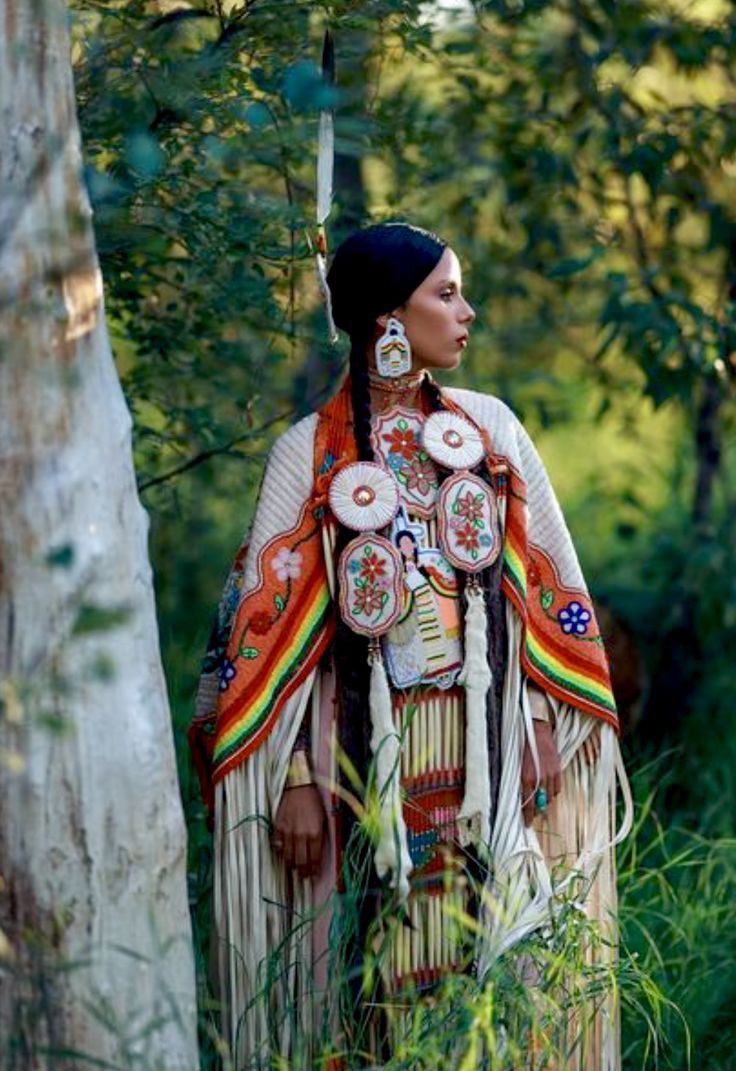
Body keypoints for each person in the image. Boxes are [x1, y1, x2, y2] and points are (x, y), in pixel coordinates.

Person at [190, 222, 631, 1069]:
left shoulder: (491, 432)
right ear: (389, 318)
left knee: (498, 979)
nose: (467, 312)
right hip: (354, 763)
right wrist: (292, 781)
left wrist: (539, 720)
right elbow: (262, 637)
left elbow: (545, 592)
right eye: (447, 293)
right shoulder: (307, 454)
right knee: (360, 981)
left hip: (487, 754)